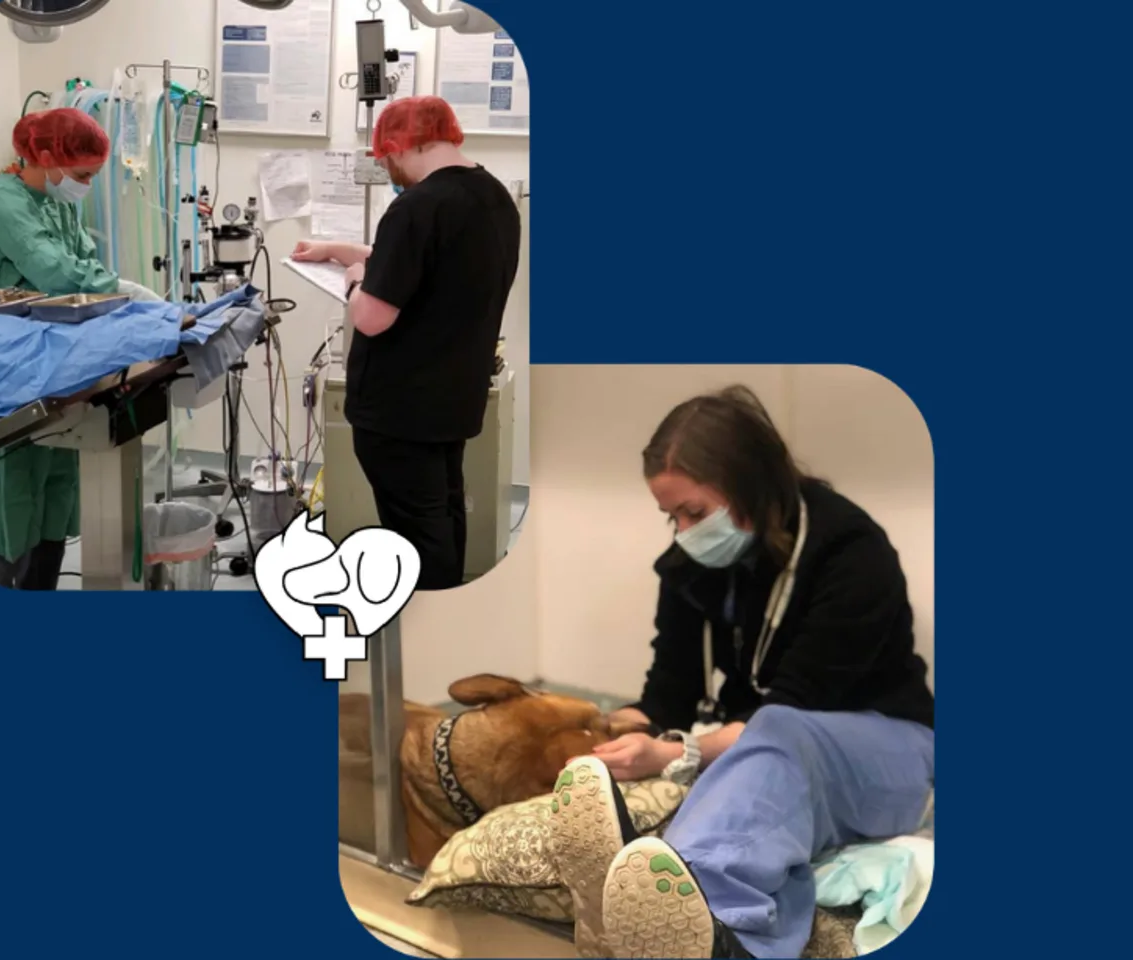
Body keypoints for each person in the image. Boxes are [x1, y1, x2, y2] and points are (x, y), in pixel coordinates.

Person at [544, 386, 935, 959]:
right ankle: (652, 887)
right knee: (755, 748)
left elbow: (795, 705)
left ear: (751, 486)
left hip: (894, 751)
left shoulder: (853, 553)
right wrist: (607, 731)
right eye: (670, 515)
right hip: (777, 747)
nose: (681, 530)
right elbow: (668, 693)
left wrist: (678, 753)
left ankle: (714, 914)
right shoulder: (690, 565)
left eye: (695, 513)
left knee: (779, 728)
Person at [290, 96, 521, 590]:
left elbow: (371, 318)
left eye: (386, 160)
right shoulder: (493, 197)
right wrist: (335, 250)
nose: (390, 171)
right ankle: (449, 612)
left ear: (397, 147)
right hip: (453, 401)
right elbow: (426, 263)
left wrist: (355, 281)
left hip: (400, 414)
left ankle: (422, 633)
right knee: (443, 514)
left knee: (416, 534)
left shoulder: (415, 207)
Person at [0, 108, 159, 590]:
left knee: (54, 489)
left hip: (51, 365)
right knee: (9, 494)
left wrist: (116, 298)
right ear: (41, 155)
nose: (84, 184)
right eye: (81, 174)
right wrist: (128, 291)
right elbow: (56, 271)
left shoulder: (62, 203)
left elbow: (84, 263)